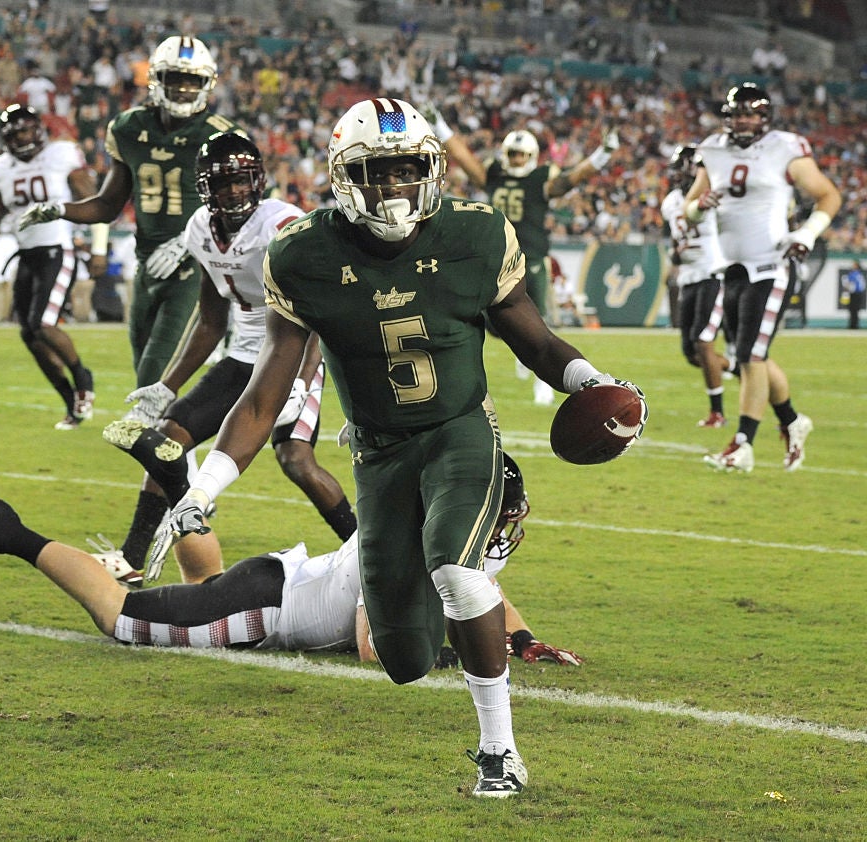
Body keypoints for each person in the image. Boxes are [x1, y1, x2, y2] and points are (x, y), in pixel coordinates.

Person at [148, 98, 645, 797]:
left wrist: (595, 383)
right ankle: (456, 598)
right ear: (343, 175)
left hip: (459, 431)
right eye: (376, 171)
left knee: (458, 572)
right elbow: (264, 396)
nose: (394, 186)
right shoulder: (303, 255)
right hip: (378, 454)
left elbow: (535, 340)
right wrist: (202, 491)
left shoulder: (474, 234)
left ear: (430, 168)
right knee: (403, 656)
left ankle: (499, 751)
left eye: (407, 168)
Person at [0, 454, 579, 664]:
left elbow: (483, 590)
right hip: (265, 606)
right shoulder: (399, 546)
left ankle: (177, 484)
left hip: (270, 584)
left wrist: (522, 640)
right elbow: (374, 646)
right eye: (496, 514)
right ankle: (5, 530)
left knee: (201, 587)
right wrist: (464, 655)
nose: (502, 529)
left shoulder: (443, 535)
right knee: (121, 618)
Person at [96, 133, 355, 587]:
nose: (234, 191)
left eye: (241, 180)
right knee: (170, 438)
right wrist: (167, 385)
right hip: (244, 353)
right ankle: (131, 557)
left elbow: (321, 311)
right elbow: (211, 320)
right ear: (206, 188)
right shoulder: (200, 229)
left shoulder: (281, 224)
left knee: (296, 459)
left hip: (294, 350)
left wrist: (301, 381)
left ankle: (368, 551)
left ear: (257, 180)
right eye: (223, 182)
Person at [19, 35, 244, 390]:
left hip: (197, 268)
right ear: (156, 79)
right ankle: (178, 430)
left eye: (192, 81)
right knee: (144, 369)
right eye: (175, 78)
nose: (183, 89)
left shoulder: (222, 137)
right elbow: (107, 205)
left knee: (155, 374)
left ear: (207, 84)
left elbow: (242, 211)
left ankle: (170, 427)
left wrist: (188, 241)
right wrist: (59, 209)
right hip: (147, 263)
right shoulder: (130, 127)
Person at [686, 84, 841, 472]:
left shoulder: (783, 147)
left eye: (750, 114)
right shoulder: (712, 149)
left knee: (750, 355)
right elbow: (690, 206)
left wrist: (807, 234)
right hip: (732, 268)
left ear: (764, 117)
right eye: (737, 114)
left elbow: (828, 195)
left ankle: (742, 445)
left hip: (772, 264)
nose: (743, 121)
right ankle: (792, 420)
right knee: (750, 354)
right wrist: (699, 207)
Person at [430, 111, 619, 404]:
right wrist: (439, 125)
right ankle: (521, 352)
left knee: (538, 323)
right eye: (512, 154)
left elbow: (571, 178)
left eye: (521, 155)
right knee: (494, 322)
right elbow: (466, 160)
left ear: (530, 156)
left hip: (532, 257)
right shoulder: (494, 174)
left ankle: (543, 382)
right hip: (498, 255)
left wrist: (603, 154)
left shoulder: (540, 178)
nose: (517, 160)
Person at [0, 104, 107, 430]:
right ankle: (70, 402)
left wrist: (99, 248)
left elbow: (97, 203)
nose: (22, 138)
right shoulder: (1, 168)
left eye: (26, 130)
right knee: (29, 335)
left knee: (43, 324)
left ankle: (83, 378)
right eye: (15, 133)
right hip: (26, 254)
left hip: (58, 249)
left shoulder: (61, 155)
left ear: (38, 130)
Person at [660, 144, 734, 428]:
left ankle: (718, 413)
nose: (676, 176)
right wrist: (675, 255)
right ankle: (742, 369)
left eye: (681, 170)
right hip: (688, 277)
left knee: (703, 342)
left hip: (713, 272)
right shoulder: (671, 202)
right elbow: (675, 241)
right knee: (692, 354)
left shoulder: (715, 195)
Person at [842, 260, 865, 330]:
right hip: (860, 294)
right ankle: (855, 325)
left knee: (853, 310)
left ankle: (853, 325)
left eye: (854, 265)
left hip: (854, 294)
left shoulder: (853, 274)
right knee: (856, 310)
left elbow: (848, 285)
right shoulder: (860, 274)